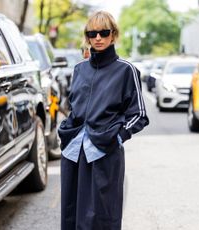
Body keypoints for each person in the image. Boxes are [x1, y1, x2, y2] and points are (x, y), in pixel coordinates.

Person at [58, 11, 149, 230]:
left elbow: (139, 114)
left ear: (113, 35)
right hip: (73, 150)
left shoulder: (126, 70)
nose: (98, 37)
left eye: (104, 32)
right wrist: (67, 131)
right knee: (71, 213)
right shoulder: (79, 69)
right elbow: (74, 106)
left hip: (104, 151)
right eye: (92, 33)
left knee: (102, 215)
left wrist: (118, 137)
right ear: (87, 37)